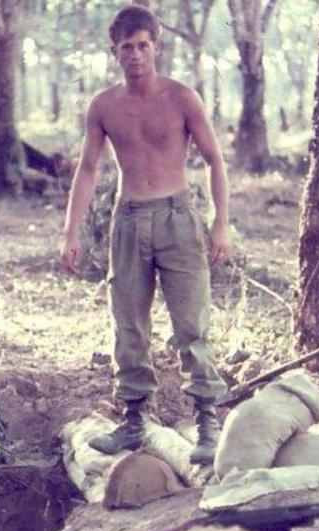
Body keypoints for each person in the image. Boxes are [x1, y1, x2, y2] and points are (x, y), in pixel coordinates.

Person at [58, 4, 230, 465]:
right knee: (129, 322)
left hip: (178, 216)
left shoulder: (181, 98)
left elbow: (215, 160)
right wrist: (71, 231)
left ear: (156, 46)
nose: (136, 55)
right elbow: (89, 168)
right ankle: (133, 419)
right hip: (129, 218)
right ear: (114, 52)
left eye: (143, 46)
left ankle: (207, 421)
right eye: (126, 48)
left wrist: (219, 222)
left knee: (191, 323)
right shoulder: (104, 106)